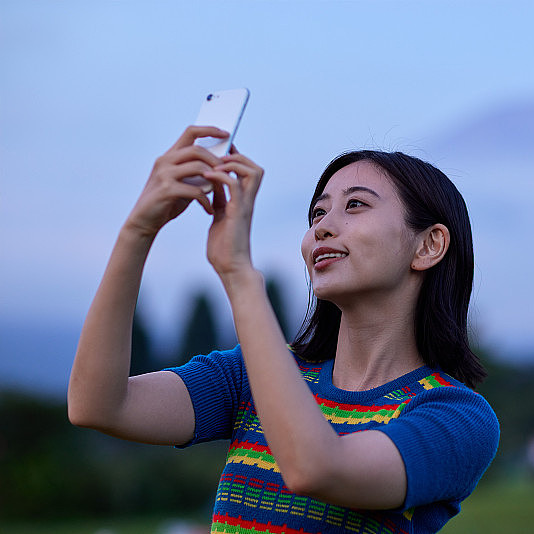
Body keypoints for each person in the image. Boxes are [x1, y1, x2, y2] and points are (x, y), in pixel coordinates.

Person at [68, 126, 500, 533]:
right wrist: (138, 230)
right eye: (317, 213)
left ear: (428, 245)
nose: (322, 227)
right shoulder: (250, 375)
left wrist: (239, 275)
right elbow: (98, 405)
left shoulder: (457, 417)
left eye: (356, 205)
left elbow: (317, 468)